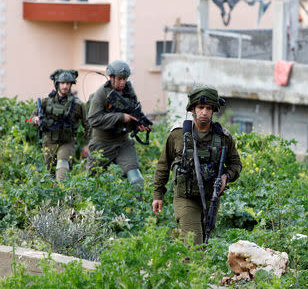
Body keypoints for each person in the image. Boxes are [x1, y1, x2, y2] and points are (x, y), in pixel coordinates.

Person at [152, 86, 242, 245]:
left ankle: (180, 268)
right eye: (201, 107)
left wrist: (225, 176)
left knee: (201, 242)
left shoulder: (223, 137)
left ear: (213, 110)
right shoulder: (178, 135)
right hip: (185, 198)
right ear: (193, 109)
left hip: (210, 199)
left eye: (208, 108)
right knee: (195, 245)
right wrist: (158, 194)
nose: (204, 112)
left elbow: (236, 164)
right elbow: (163, 165)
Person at [86, 60, 149, 191]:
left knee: (137, 180)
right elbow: (93, 119)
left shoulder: (129, 93)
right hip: (101, 144)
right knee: (91, 184)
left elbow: (133, 114)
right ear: (111, 77)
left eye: (125, 79)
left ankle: (137, 210)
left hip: (123, 143)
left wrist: (138, 126)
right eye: (119, 79)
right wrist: (121, 117)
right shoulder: (101, 94)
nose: (122, 82)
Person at [30, 69, 89, 181]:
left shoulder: (77, 104)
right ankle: (54, 197)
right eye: (62, 83)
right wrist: (35, 119)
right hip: (49, 142)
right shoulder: (46, 101)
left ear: (71, 85)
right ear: (57, 84)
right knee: (51, 174)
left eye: (68, 83)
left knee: (62, 167)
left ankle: (64, 196)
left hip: (67, 142)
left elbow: (88, 125)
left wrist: (87, 145)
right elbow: (30, 119)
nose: (65, 86)